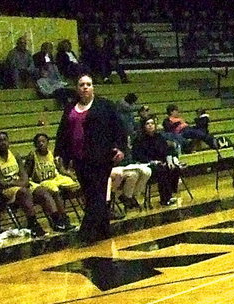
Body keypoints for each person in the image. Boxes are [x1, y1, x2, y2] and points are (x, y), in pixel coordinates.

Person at [54, 74, 128, 243]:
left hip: (101, 158)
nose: (85, 87)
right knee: (91, 194)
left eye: (89, 84)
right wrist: (60, 153)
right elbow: (63, 132)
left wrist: (121, 148)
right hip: (79, 159)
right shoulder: (70, 107)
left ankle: (85, 232)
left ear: (93, 87)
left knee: (97, 194)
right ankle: (104, 230)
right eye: (81, 84)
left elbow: (119, 128)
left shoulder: (105, 105)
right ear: (77, 88)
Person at [0, 131, 70, 235]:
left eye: (5, 140)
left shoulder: (14, 154)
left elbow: (24, 174)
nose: (3, 143)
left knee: (43, 191)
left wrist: (23, 182)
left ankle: (57, 220)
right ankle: (33, 224)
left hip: (19, 184)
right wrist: (15, 183)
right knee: (24, 192)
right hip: (5, 189)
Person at [23, 132, 81, 227]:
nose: (41, 143)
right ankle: (63, 217)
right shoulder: (32, 155)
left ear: (48, 142)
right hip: (42, 181)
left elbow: (61, 169)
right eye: (38, 142)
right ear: (35, 145)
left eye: (43, 141)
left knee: (76, 184)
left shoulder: (53, 153)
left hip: (55, 177)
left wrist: (70, 175)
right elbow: (26, 172)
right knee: (55, 190)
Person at [132, 115, 183, 207]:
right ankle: (165, 199)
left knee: (174, 168)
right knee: (162, 170)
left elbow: (167, 150)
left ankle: (171, 192)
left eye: (152, 123)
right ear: (143, 126)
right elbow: (137, 156)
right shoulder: (139, 140)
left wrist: (169, 160)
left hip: (161, 162)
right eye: (147, 124)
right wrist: (154, 162)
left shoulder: (159, 137)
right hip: (147, 164)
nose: (150, 125)